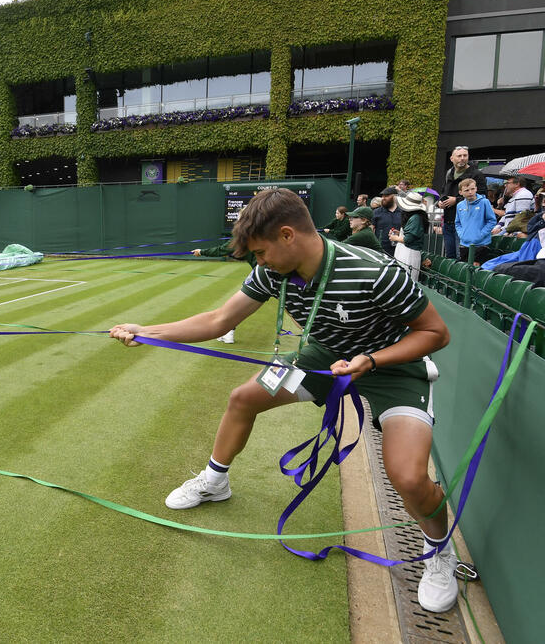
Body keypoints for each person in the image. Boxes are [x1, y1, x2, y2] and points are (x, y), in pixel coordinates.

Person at [110, 187, 457, 613]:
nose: (260, 262)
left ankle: (439, 551)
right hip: (324, 358)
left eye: (261, 252)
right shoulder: (273, 271)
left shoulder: (374, 271)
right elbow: (219, 320)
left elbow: (436, 334)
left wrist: (371, 359)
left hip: (393, 368)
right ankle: (215, 482)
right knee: (244, 398)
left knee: (408, 477)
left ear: (288, 235)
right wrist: (145, 331)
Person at [440, 146, 487, 259]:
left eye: (465, 155)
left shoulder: (476, 174)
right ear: (452, 158)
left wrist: (456, 200)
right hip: (448, 221)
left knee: (461, 257)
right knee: (450, 257)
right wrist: (440, 202)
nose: (462, 158)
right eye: (459, 156)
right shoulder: (449, 173)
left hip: (466, 223)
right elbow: (443, 192)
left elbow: (482, 197)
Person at [454, 178, 496, 265]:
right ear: (460, 192)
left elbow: (491, 221)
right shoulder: (459, 205)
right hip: (464, 244)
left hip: (481, 244)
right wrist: (462, 235)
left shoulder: (484, 202)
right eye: (466, 190)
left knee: (476, 268)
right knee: (464, 268)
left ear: (476, 189)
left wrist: (481, 235)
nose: (470, 192)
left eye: (472, 189)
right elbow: (457, 223)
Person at [389, 191, 428, 281]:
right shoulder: (414, 216)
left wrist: (395, 238)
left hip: (409, 254)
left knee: (407, 280)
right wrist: (399, 233)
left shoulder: (416, 218)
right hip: (404, 252)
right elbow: (410, 234)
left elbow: (408, 239)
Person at [372, 187, 403, 257]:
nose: (383, 198)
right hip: (381, 251)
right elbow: (371, 230)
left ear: (395, 197)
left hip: (399, 249)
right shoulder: (376, 212)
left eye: (386, 196)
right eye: (382, 196)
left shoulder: (403, 212)